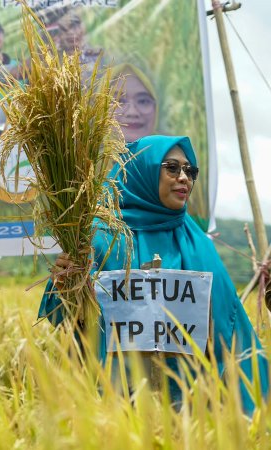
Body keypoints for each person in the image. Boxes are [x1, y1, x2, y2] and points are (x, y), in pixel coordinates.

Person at [39, 135, 269, 413]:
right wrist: (63, 285)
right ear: (143, 170)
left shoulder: (199, 245)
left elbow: (231, 329)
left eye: (190, 170)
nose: (184, 177)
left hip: (190, 410)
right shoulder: (99, 238)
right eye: (172, 167)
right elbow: (62, 319)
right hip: (114, 408)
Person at [112, 63, 159, 144]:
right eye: (118, 101)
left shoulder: (171, 153)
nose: (132, 112)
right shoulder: (86, 155)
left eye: (143, 101)